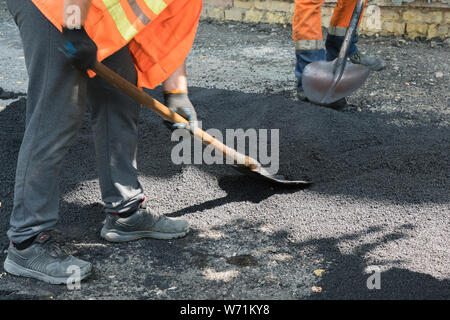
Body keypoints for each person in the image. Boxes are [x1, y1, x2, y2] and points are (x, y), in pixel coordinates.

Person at [3, 0, 202, 284]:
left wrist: (177, 92)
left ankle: (125, 211)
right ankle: (27, 242)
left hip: (96, 9)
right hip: (53, 5)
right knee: (58, 113)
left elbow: (172, 25)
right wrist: (73, 26)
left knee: (120, 95)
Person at [293, 0, 386, 108]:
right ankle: (309, 72)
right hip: (310, 66)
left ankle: (343, 50)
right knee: (309, 1)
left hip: (343, 48)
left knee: (352, 2)